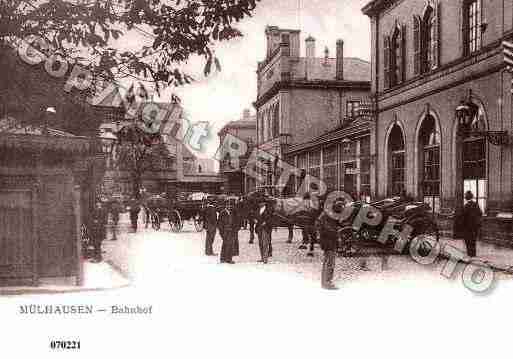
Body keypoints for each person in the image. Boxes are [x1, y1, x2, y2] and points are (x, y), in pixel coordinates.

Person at [316, 200, 344, 290]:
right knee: (330, 262)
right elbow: (325, 227)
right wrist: (336, 232)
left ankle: (325, 282)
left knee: (327, 261)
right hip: (328, 241)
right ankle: (327, 282)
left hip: (329, 241)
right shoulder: (328, 215)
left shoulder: (327, 214)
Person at [461, 191, 482, 257]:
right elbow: (480, 213)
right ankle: (473, 254)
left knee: (468, 240)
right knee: (473, 240)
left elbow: (463, 217)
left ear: (466, 197)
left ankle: (469, 254)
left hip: (467, 227)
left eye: (465, 196)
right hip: (475, 226)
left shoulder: (466, 206)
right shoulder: (476, 204)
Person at [255, 199, 274, 264]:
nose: (259, 204)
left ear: (264, 203)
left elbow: (271, 218)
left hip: (266, 228)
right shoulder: (257, 210)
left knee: (265, 243)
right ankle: (262, 257)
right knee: (260, 243)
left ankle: (265, 258)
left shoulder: (268, 210)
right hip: (259, 228)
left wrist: (266, 222)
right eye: (259, 203)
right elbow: (255, 217)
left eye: (261, 202)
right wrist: (255, 220)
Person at [218, 200, 235, 264]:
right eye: (227, 205)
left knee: (230, 245)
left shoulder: (231, 212)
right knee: (225, 244)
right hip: (225, 231)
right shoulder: (222, 213)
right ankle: (224, 259)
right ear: (225, 206)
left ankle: (227, 258)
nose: (229, 206)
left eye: (230, 205)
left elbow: (233, 222)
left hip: (231, 231)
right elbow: (220, 224)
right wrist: (221, 232)